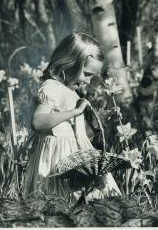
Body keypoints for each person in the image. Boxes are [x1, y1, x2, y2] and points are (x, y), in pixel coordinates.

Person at [23, 32, 121, 202]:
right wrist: (74, 112)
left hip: (76, 159)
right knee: (60, 203)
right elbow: (37, 122)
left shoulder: (72, 93)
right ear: (69, 64)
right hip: (56, 161)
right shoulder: (51, 88)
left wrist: (103, 120)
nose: (89, 81)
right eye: (87, 74)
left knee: (97, 197)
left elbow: (75, 135)